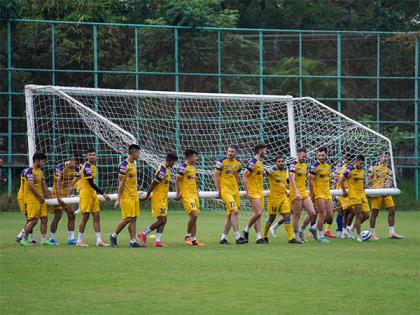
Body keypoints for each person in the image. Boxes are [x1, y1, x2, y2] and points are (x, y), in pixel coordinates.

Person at [139, 152, 178, 247]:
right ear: (171, 161)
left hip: (163, 199)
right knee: (161, 220)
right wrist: (148, 195)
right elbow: (153, 184)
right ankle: (144, 234)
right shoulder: (162, 171)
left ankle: (157, 241)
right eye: (174, 162)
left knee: (164, 220)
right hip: (158, 199)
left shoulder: (167, 170)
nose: (174, 164)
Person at [110, 144, 143, 248]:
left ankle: (133, 241)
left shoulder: (133, 164)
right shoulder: (124, 165)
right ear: (133, 153)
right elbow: (121, 183)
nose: (139, 155)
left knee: (133, 219)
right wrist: (118, 199)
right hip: (126, 196)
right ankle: (113, 236)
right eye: (138, 153)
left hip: (134, 195)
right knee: (127, 218)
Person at [76, 149, 110, 247]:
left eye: (93, 155)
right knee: (85, 218)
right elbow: (91, 183)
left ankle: (99, 240)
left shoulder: (93, 166)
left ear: (96, 156)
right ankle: (79, 240)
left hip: (93, 194)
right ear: (87, 156)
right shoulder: (86, 166)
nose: (92, 156)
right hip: (86, 194)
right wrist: (103, 193)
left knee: (96, 217)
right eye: (90, 155)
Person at [263, 156, 300, 244]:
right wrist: (268, 170)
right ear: (276, 163)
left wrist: (288, 189)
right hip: (274, 199)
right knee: (272, 218)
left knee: (287, 216)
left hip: (284, 197)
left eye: (282, 161)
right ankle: (264, 236)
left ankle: (291, 238)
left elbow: (286, 182)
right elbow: (264, 174)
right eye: (279, 161)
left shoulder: (285, 171)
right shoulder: (273, 170)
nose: (281, 163)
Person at [20, 152, 55, 246]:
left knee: (44, 218)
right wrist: (40, 197)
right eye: (43, 162)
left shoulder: (40, 172)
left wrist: (50, 198)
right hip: (32, 200)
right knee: (33, 220)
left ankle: (43, 240)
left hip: (40, 200)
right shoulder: (29, 171)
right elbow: (31, 187)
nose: (43, 164)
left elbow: (43, 186)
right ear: (37, 161)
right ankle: (23, 239)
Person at [215, 145, 247, 245]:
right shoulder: (221, 161)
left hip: (235, 191)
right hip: (226, 191)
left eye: (232, 151)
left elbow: (236, 176)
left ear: (236, 152)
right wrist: (218, 190)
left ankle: (223, 238)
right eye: (229, 151)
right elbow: (216, 175)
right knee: (235, 210)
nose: (230, 153)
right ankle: (238, 237)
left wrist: (237, 188)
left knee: (230, 215)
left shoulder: (238, 163)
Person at [368, 153, 403, 240]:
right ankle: (373, 234)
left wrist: (386, 188)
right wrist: (371, 177)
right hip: (376, 192)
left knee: (392, 210)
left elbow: (389, 180)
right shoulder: (373, 166)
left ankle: (392, 233)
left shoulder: (389, 168)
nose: (386, 158)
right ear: (380, 157)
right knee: (375, 213)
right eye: (384, 156)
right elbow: (369, 178)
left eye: (387, 156)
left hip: (386, 192)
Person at [48, 157, 80, 245]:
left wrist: (68, 195)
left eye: (76, 161)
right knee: (58, 215)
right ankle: (52, 238)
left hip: (66, 193)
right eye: (73, 161)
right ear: (69, 161)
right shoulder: (60, 167)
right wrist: (58, 197)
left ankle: (71, 238)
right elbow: (57, 182)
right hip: (56, 193)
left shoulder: (77, 169)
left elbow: (72, 183)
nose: (74, 163)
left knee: (71, 213)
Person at [176, 149, 204, 246]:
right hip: (187, 195)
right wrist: (178, 193)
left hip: (194, 195)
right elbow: (178, 179)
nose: (196, 158)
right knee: (194, 214)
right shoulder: (183, 167)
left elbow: (194, 180)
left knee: (195, 217)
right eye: (195, 156)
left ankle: (194, 239)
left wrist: (197, 191)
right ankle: (187, 236)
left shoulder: (193, 167)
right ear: (189, 157)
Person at [339, 155, 370, 242]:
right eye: (360, 163)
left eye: (363, 164)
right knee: (358, 215)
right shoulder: (350, 170)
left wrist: (364, 190)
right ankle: (359, 236)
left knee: (367, 215)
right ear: (356, 162)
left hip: (362, 195)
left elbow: (362, 181)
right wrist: (344, 191)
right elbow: (341, 180)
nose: (362, 165)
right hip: (354, 196)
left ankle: (351, 228)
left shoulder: (362, 171)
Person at [289, 148, 317, 242]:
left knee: (312, 212)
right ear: (298, 155)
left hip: (304, 192)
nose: (304, 158)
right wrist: (296, 192)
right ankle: (296, 235)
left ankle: (301, 230)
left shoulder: (305, 164)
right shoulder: (293, 164)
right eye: (302, 156)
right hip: (295, 192)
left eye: (305, 156)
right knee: (297, 214)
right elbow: (292, 179)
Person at [242, 144, 268, 244]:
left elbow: (260, 174)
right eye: (265, 150)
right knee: (258, 213)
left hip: (259, 191)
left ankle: (258, 237)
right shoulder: (253, 162)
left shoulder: (260, 163)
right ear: (260, 150)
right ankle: (246, 230)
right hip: (253, 192)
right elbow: (244, 176)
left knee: (258, 215)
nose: (266, 152)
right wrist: (247, 192)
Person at [308, 147, 334, 243]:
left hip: (327, 193)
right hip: (318, 193)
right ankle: (320, 236)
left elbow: (328, 179)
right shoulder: (315, 166)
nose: (320, 157)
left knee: (330, 215)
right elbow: (310, 179)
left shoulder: (329, 165)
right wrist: (312, 194)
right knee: (322, 214)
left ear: (326, 155)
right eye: (319, 155)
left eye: (322, 155)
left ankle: (314, 227)